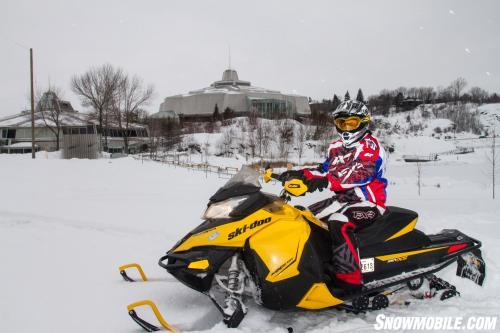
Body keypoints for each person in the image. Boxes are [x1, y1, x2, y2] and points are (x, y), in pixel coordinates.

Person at [280, 100, 387, 290]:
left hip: (367, 202)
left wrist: (325, 181)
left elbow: (361, 173)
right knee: (303, 217)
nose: (346, 128)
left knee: (339, 222)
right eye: (341, 123)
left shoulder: (371, 146)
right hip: (341, 200)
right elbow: (324, 170)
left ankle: (350, 279)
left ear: (363, 122)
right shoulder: (336, 147)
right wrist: (299, 174)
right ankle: (316, 266)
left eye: (351, 123)